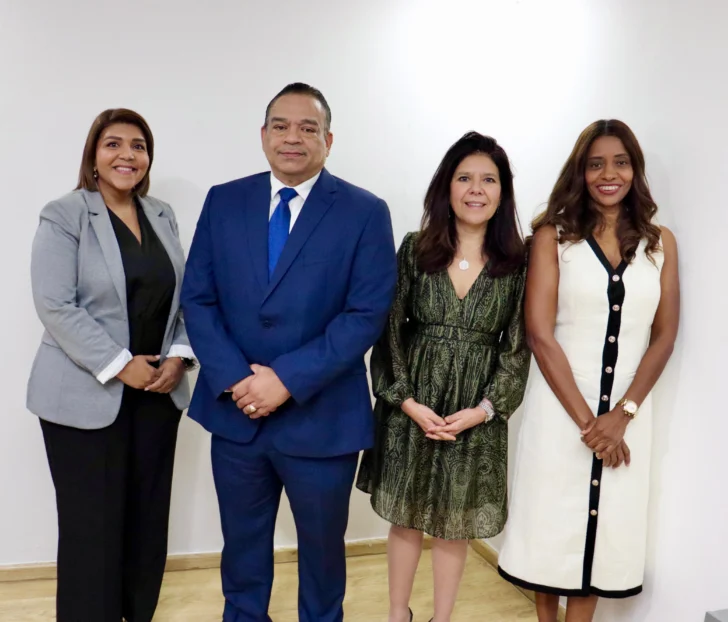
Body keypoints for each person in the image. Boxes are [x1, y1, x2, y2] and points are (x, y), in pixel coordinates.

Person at [180, 82, 397, 622]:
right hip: (237, 415)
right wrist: (237, 380)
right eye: (281, 126)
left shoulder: (365, 211)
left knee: (322, 558)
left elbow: (365, 314)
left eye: (307, 128)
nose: (292, 138)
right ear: (263, 135)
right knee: (242, 553)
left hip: (322, 419)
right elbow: (198, 299)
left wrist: (285, 380)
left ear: (328, 139)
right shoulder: (224, 200)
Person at [497, 120, 680, 622]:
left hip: (626, 422)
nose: (608, 174)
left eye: (620, 162)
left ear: (635, 170)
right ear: (580, 171)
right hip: (561, 416)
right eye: (596, 164)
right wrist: (590, 425)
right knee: (550, 535)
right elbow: (540, 335)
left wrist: (621, 415)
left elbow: (664, 336)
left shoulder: (660, 243)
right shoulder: (554, 238)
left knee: (604, 539)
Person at [27, 108, 196, 622]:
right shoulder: (65, 214)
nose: (127, 155)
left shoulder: (162, 215)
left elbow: (186, 298)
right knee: (92, 530)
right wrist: (122, 365)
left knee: (147, 523)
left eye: (138, 146)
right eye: (114, 144)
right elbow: (56, 305)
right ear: (94, 156)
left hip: (157, 394)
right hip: (85, 398)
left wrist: (179, 357)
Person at [356, 131, 530, 622]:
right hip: (413, 404)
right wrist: (407, 402)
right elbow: (389, 330)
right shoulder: (415, 249)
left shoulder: (518, 262)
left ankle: (442, 618)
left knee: (455, 525)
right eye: (464, 178)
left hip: (475, 412)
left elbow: (518, 348)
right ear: (446, 187)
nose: (476, 189)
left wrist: (483, 410)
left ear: (503, 191)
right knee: (406, 519)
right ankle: (398, 614)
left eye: (488, 180)